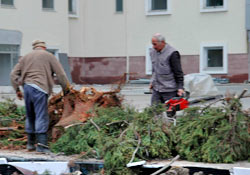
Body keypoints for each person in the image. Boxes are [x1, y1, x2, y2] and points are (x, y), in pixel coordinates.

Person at [10, 40, 70, 153]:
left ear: (34, 47)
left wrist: (17, 90)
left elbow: (13, 74)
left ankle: (30, 144)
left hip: (27, 87)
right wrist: (66, 89)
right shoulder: (49, 56)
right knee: (41, 115)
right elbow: (61, 74)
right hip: (40, 87)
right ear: (44, 47)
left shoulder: (25, 57)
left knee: (30, 115)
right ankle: (42, 145)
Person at [150, 33, 184, 105]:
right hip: (157, 89)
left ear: (162, 42)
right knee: (153, 111)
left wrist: (180, 87)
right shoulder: (152, 52)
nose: (153, 47)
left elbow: (178, 72)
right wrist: (152, 81)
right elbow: (154, 69)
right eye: (152, 44)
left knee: (170, 113)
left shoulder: (172, 53)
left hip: (169, 90)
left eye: (155, 44)